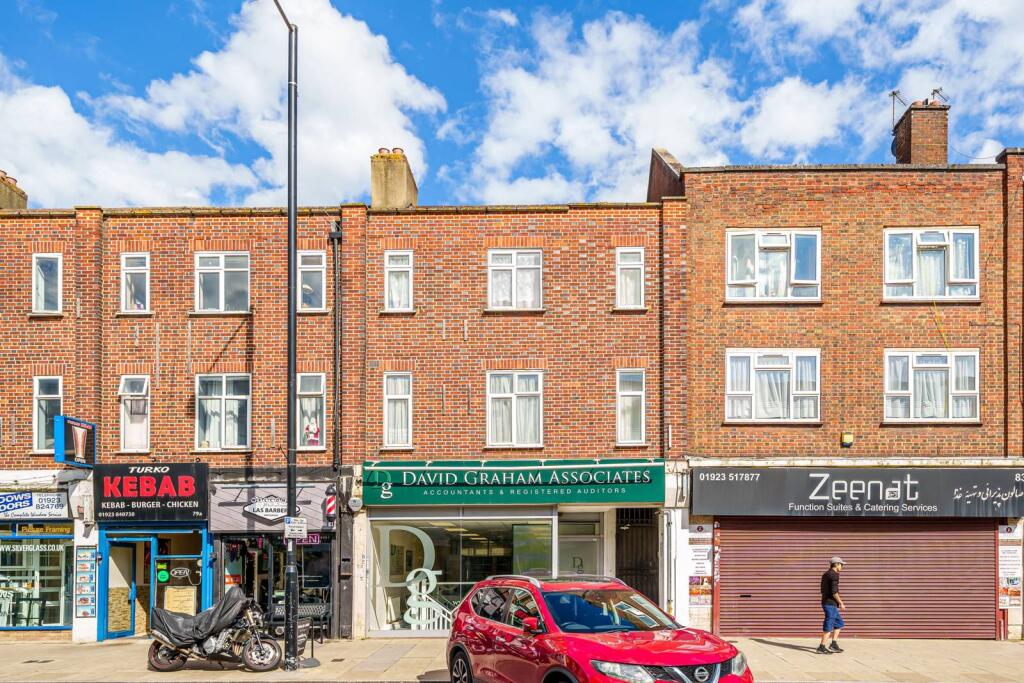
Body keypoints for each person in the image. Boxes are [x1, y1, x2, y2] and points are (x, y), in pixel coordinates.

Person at [818, 556, 845, 654]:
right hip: (830, 604)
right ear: (836, 564)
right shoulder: (834, 575)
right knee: (829, 625)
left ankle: (833, 644)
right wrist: (841, 603)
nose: (842, 566)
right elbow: (834, 592)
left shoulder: (825, 574)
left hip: (827, 602)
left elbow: (822, 590)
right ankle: (821, 647)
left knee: (839, 623)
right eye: (841, 564)